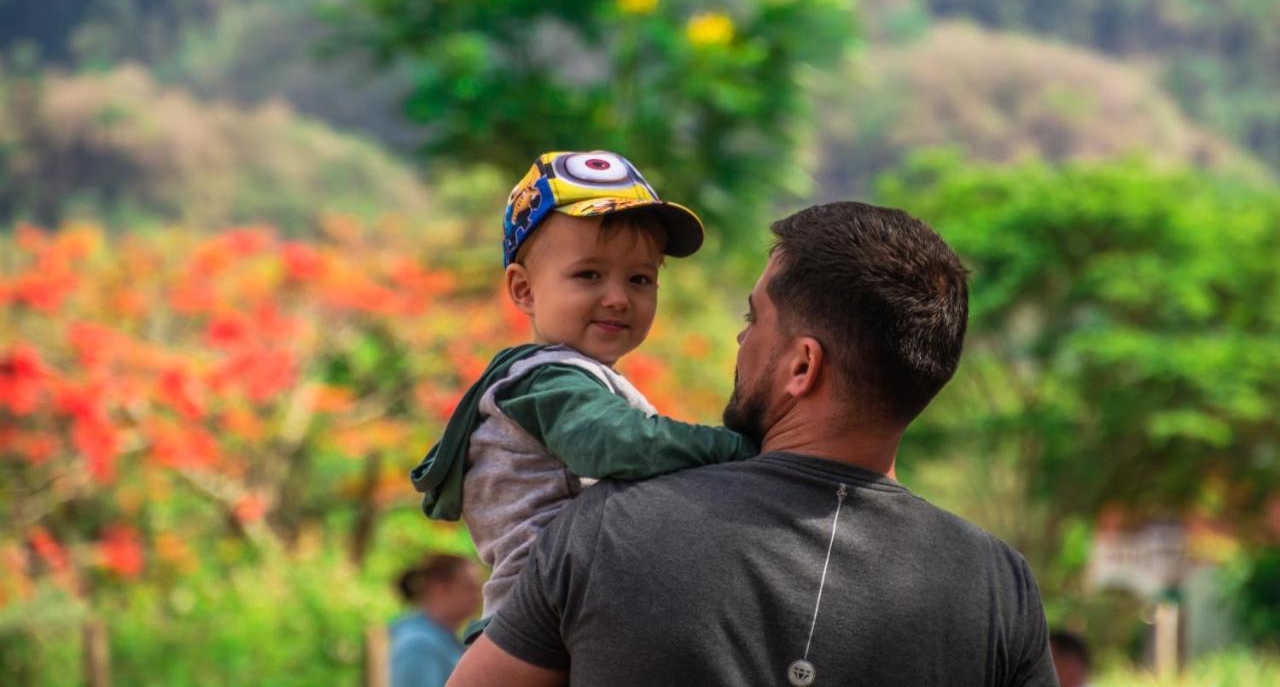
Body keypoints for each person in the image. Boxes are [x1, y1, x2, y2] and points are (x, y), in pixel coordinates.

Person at [448, 201, 1059, 686]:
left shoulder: (605, 525)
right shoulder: (999, 584)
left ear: (803, 365)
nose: (739, 343)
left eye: (752, 321)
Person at [409, 150, 756, 634]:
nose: (618, 297)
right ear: (525, 290)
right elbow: (618, 445)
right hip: (549, 625)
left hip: (565, 613)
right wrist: (743, 449)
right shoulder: (547, 382)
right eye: (589, 274)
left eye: (640, 278)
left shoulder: (568, 377)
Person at [388, 554, 483, 687]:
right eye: (470, 588)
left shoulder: (441, 639)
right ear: (439, 588)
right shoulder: (419, 646)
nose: (479, 597)